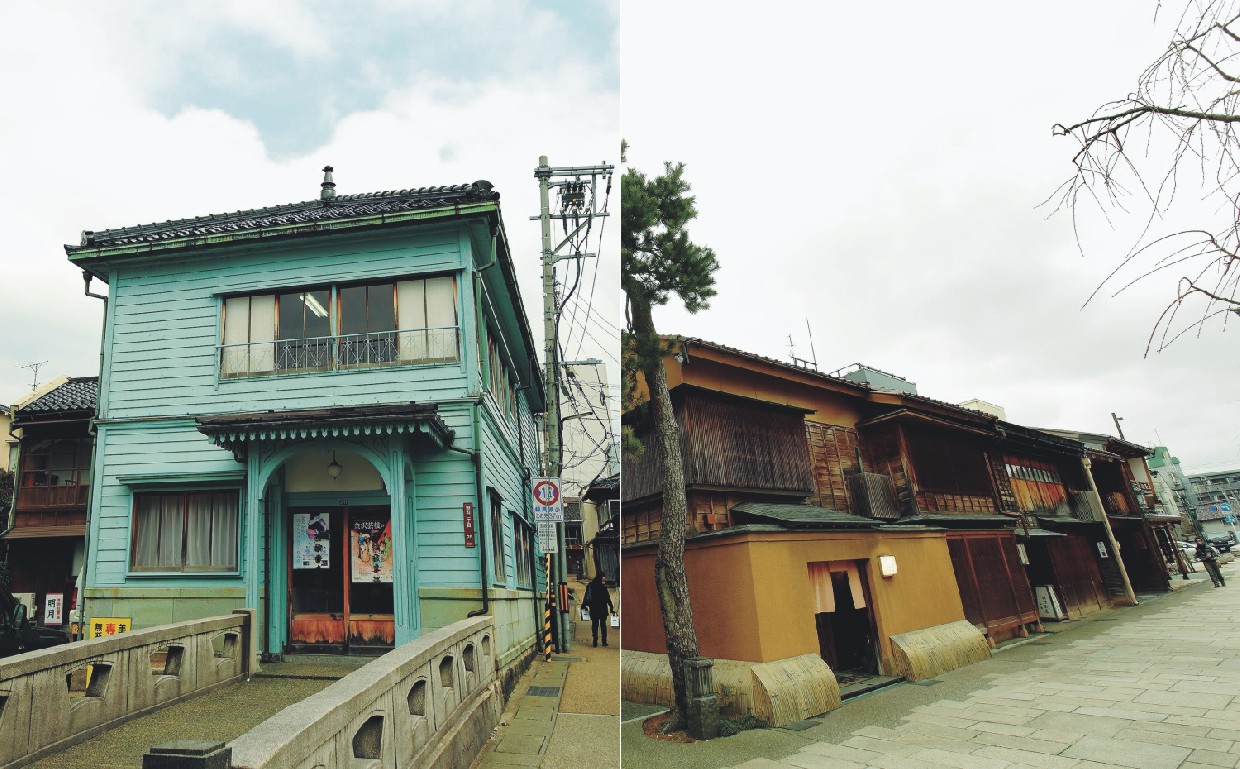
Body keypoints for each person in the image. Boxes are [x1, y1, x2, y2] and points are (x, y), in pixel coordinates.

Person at [583, 573, 615, 647]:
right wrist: (611, 607)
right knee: (603, 624)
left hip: (593, 607)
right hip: (602, 608)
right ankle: (604, 641)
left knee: (595, 624)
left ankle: (595, 639)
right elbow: (607, 598)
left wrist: (583, 605)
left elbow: (587, 595)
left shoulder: (590, 585)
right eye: (603, 577)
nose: (604, 579)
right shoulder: (603, 587)